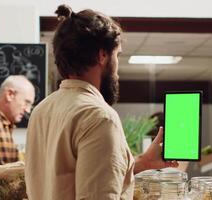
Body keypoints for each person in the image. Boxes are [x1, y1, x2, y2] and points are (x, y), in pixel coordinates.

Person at [25, 5, 178, 200]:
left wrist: (144, 162)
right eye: (117, 55)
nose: (117, 69)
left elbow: (69, 179)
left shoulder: (42, 110)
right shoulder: (99, 117)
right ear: (102, 55)